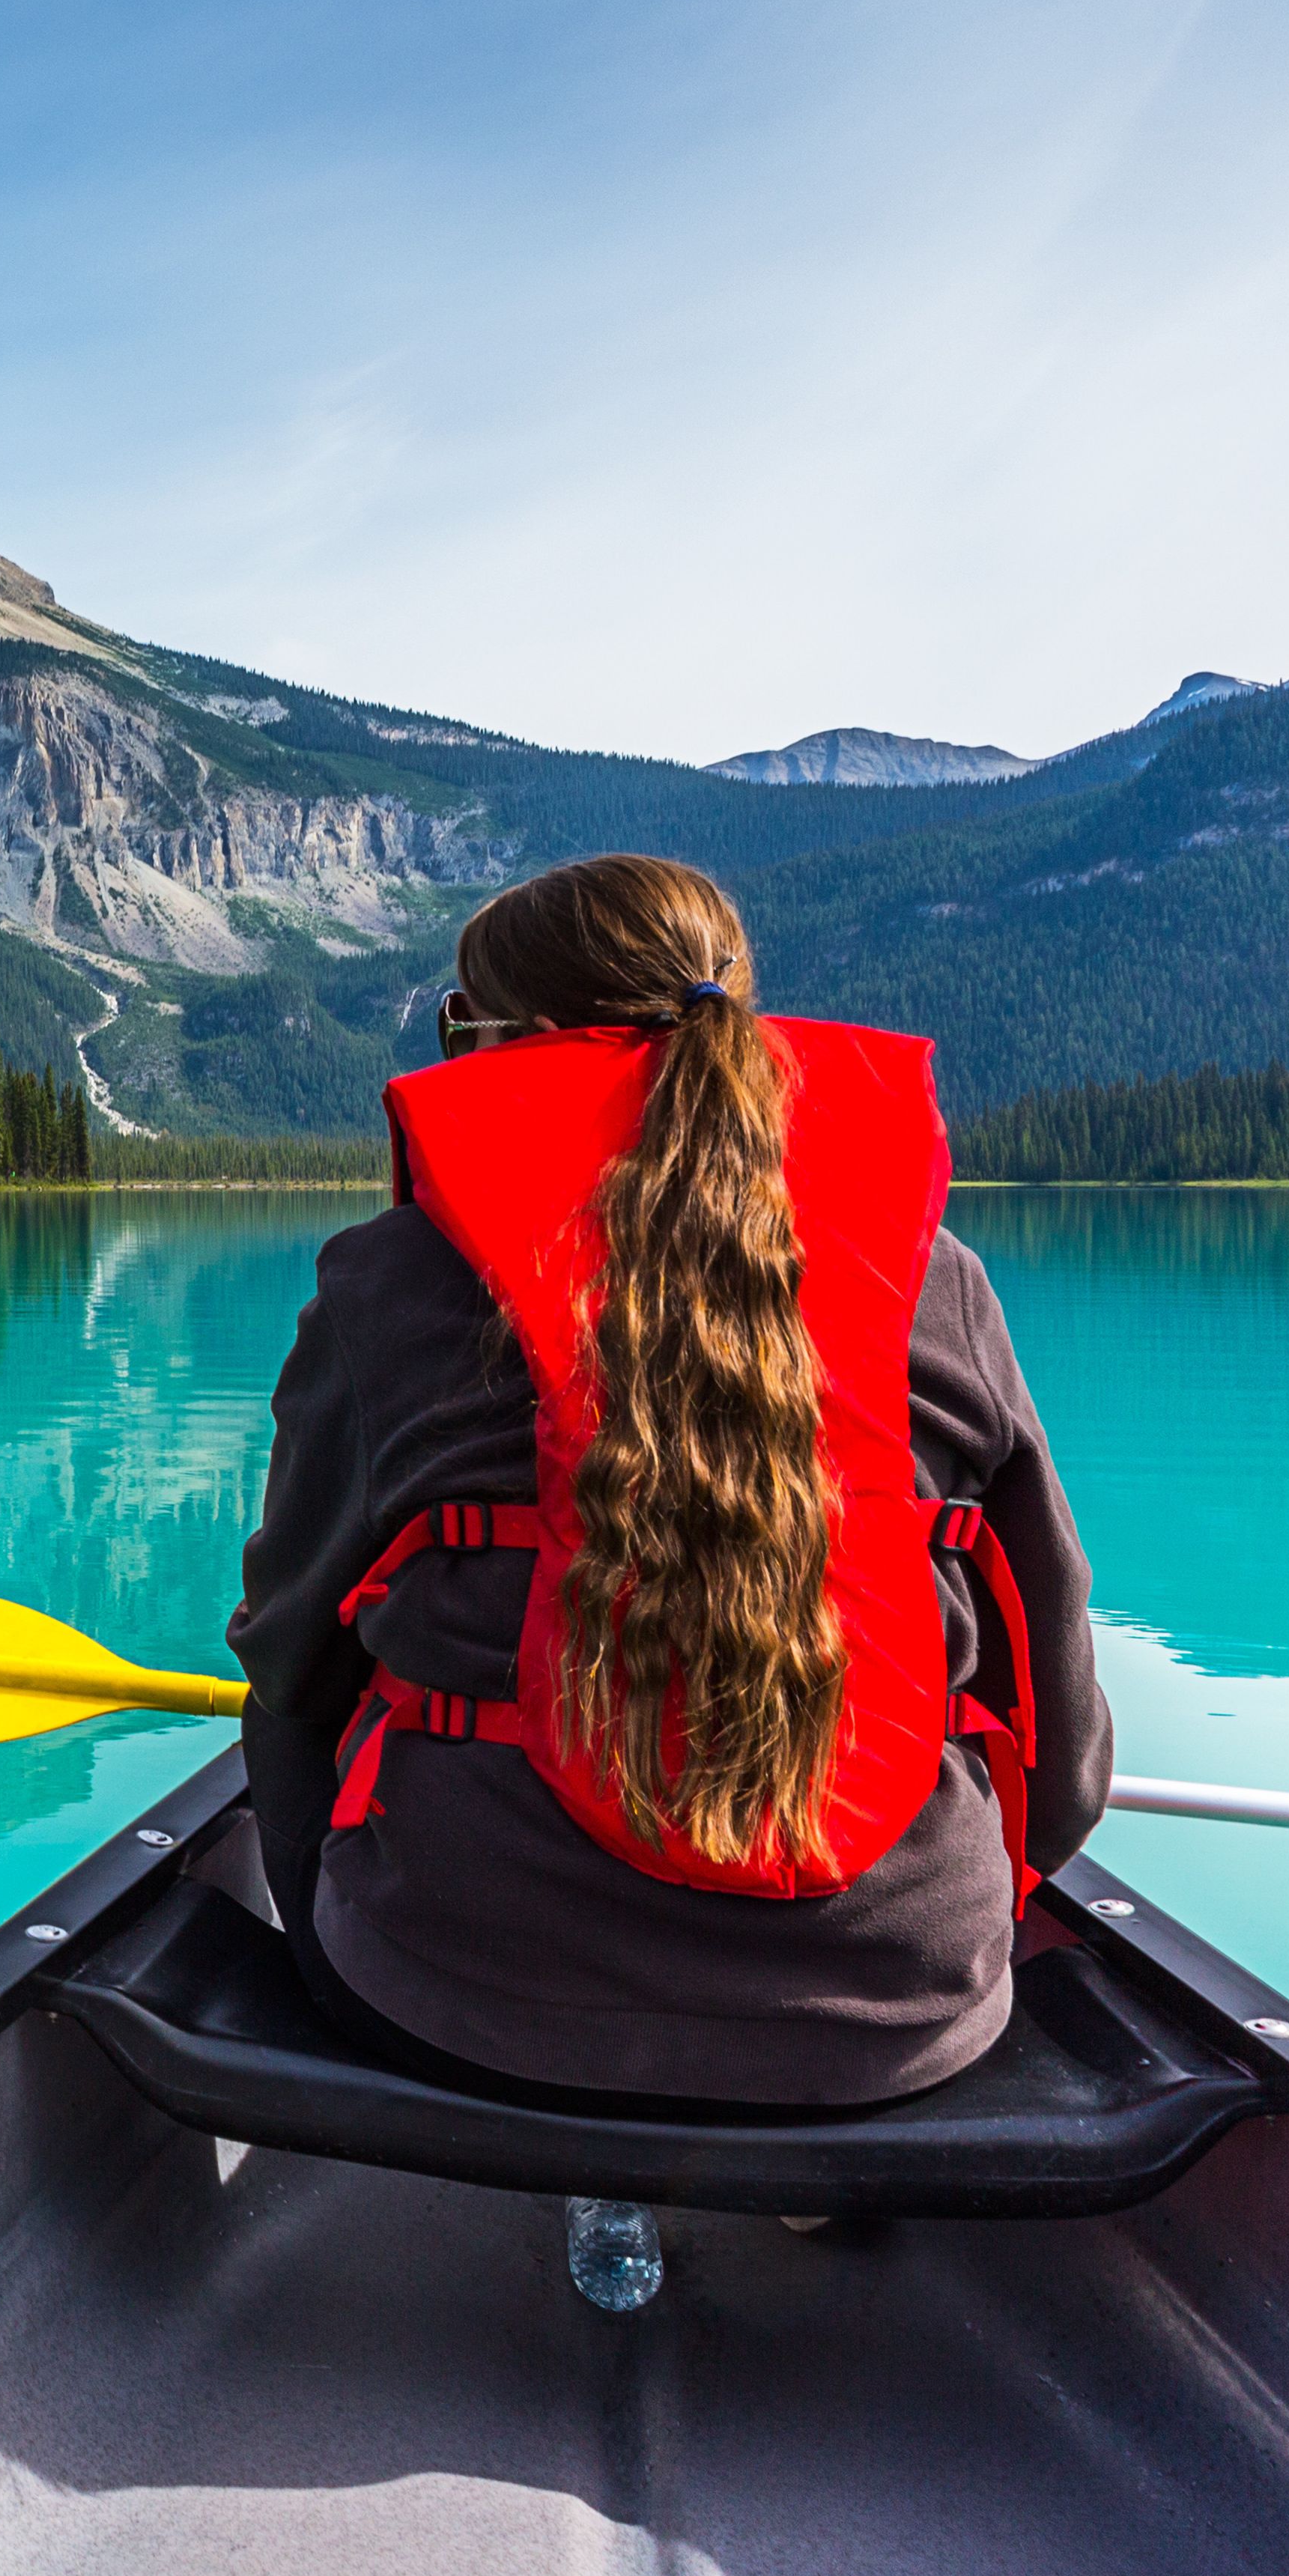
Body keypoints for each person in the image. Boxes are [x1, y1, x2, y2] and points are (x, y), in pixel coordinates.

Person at [228, 854, 1108, 2108]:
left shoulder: (388, 1284)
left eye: (459, 1029)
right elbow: (1061, 1746)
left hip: (465, 2002)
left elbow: (294, 1665)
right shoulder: (938, 1283)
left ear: (514, 1046)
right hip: (901, 2017)